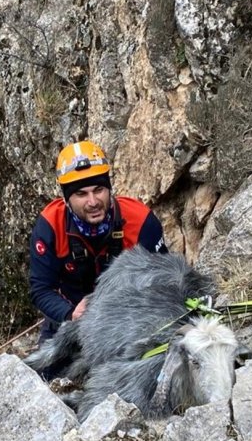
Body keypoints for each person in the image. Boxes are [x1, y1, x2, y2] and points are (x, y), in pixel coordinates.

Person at [29, 140, 168, 344]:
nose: (93, 202)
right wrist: (70, 313)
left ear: (109, 189)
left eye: (99, 190)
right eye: (81, 194)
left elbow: (163, 282)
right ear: (67, 198)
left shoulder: (141, 222)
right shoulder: (50, 226)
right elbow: (41, 289)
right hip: (71, 320)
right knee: (46, 373)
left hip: (129, 322)